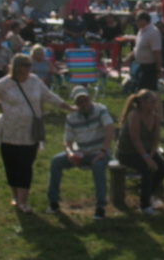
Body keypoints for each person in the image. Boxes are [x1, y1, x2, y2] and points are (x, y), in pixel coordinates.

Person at [0, 53, 73, 214]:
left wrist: (66, 106)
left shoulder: (35, 81)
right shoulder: (6, 83)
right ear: (17, 67)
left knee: (26, 166)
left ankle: (23, 200)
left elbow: (48, 96)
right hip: (9, 131)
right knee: (11, 165)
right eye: (26, 65)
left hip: (30, 131)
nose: (29, 69)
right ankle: (15, 196)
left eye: (30, 66)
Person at [46, 86, 115, 219]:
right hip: (82, 152)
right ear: (76, 104)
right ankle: (53, 201)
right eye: (80, 102)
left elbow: (110, 129)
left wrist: (103, 151)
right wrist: (70, 152)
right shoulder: (71, 117)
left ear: (90, 99)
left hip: (99, 151)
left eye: (85, 100)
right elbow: (67, 141)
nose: (84, 104)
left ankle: (100, 206)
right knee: (56, 161)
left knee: (98, 166)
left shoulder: (101, 110)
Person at [115, 89, 164, 215]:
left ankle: (148, 194)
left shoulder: (155, 116)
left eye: (156, 101)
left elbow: (156, 138)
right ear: (142, 102)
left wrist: (152, 154)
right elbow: (136, 139)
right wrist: (147, 158)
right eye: (152, 101)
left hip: (145, 150)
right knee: (147, 169)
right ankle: (145, 206)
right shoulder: (134, 115)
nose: (155, 104)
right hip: (127, 153)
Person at [130, 11, 162, 92]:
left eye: (137, 20)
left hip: (149, 67)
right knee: (138, 89)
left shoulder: (153, 32)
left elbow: (157, 52)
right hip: (140, 65)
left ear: (144, 20)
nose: (136, 22)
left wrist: (158, 68)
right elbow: (137, 48)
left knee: (146, 90)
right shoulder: (140, 31)